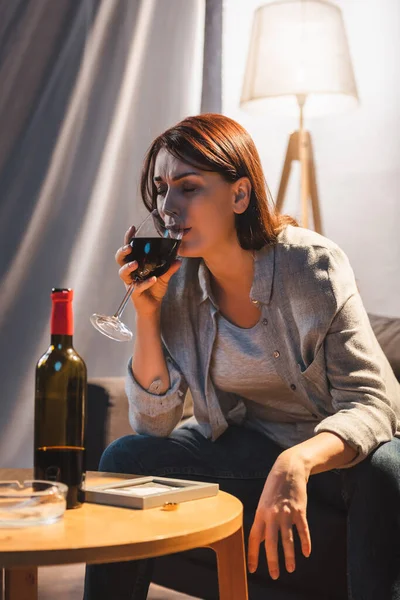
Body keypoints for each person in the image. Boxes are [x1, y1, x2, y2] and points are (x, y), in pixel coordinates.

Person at [84, 113, 400, 600]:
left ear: (239, 195)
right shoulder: (178, 282)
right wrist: (147, 314)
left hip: (337, 463)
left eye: (188, 187)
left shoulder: (311, 267)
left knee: (388, 468)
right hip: (248, 451)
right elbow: (153, 425)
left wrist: (296, 462)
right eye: (161, 188)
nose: (168, 206)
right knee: (125, 457)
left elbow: (375, 404)